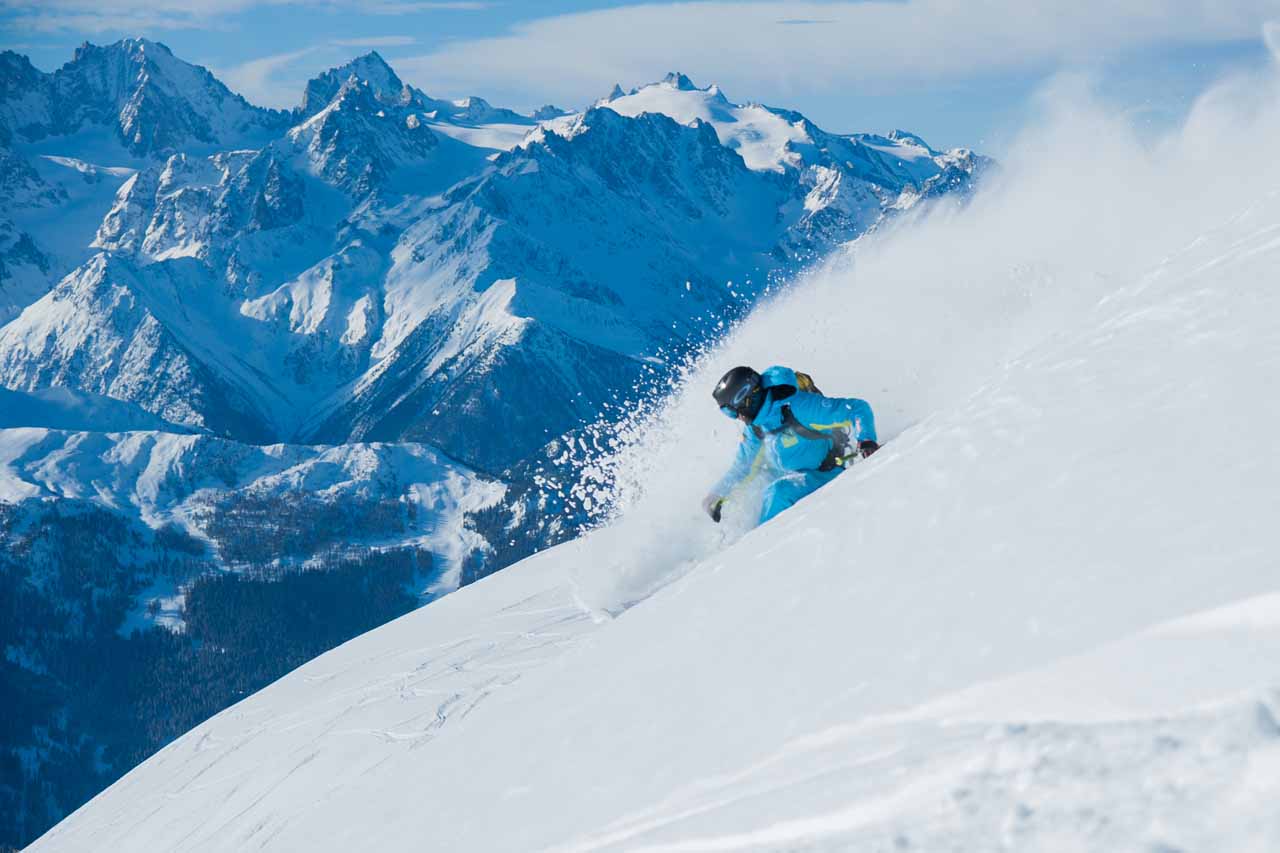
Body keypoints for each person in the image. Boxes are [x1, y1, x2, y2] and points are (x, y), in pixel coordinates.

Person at [702, 365, 879, 526]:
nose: (736, 416)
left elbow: (857, 408)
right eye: (728, 413)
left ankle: (760, 548)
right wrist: (717, 495)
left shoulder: (798, 407)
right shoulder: (756, 428)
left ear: (747, 398)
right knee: (765, 479)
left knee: (778, 492)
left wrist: (866, 440)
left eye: (732, 410)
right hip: (790, 474)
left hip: (825, 472)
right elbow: (743, 466)